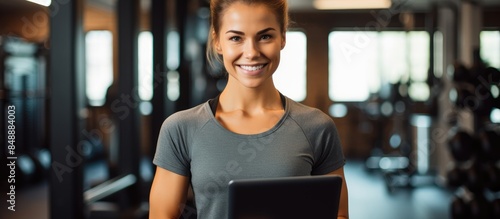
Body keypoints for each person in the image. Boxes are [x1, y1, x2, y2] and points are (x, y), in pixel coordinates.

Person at [149, 0, 349, 218]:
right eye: (236, 38)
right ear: (217, 41)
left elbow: (338, 214)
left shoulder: (316, 127)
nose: (251, 52)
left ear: (283, 37)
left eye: (265, 36)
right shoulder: (180, 129)